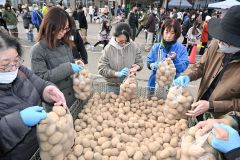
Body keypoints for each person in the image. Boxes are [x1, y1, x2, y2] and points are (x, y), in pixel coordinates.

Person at [0, 32, 67, 160]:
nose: (13, 67)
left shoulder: (20, 71)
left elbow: (38, 83)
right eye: (5, 65)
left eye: (16, 60)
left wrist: (48, 91)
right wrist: (19, 121)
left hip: (41, 147)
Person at [173, 6, 240, 120]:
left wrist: (211, 105)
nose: (220, 43)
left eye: (226, 42)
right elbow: (201, 66)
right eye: (220, 38)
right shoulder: (215, 45)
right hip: (199, 106)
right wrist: (188, 76)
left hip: (222, 120)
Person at [30, 7, 84, 107]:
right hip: (56, 102)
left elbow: (69, 63)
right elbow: (40, 79)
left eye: (67, 28)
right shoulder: (38, 50)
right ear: (51, 26)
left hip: (74, 96)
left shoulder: (65, 44)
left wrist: (75, 63)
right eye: (61, 28)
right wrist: (69, 67)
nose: (64, 31)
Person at [98, 22, 143, 94]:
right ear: (115, 36)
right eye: (120, 41)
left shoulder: (134, 46)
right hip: (113, 85)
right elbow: (101, 68)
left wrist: (138, 66)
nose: (123, 44)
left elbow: (139, 62)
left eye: (126, 41)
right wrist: (115, 73)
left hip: (129, 85)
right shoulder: (108, 48)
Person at [147, 19, 189, 91]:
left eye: (172, 33)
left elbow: (182, 68)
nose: (168, 36)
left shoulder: (181, 49)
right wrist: (153, 65)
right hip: (154, 85)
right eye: (166, 32)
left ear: (177, 34)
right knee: (152, 101)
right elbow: (149, 63)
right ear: (163, 31)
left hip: (172, 88)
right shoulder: (156, 47)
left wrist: (175, 59)